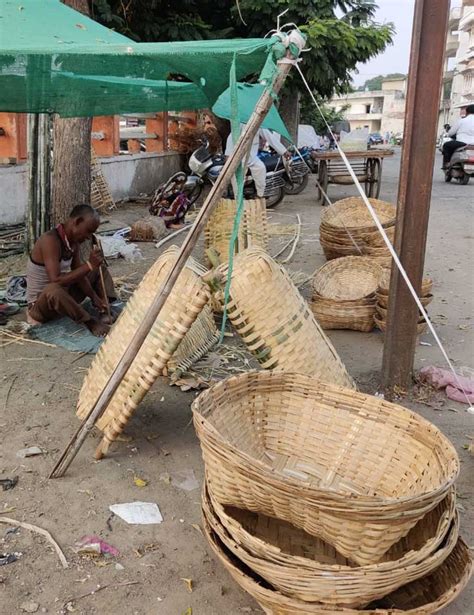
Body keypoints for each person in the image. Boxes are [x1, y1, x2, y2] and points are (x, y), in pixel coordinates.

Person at [26, 204, 116, 337]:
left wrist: (94, 297)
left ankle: (105, 307)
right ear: (77, 222)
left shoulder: (73, 243)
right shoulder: (49, 240)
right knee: (53, 289)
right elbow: (55, 280)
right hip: (41, 306)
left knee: (99, 270)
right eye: (88, 231)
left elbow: (79, 274)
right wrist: (89, 265)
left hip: (63, 299)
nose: (88, 237)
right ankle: (89, 322)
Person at [225, 126, 289, 198]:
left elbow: (270, 138)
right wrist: (228, 158)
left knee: (261, 168)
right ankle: (238, 199)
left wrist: (284, 151)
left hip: (253, 158)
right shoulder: (238, 125)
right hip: (239, 159)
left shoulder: (259, 126)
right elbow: (230, 141)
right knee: (237, 178)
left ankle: (259, 195)